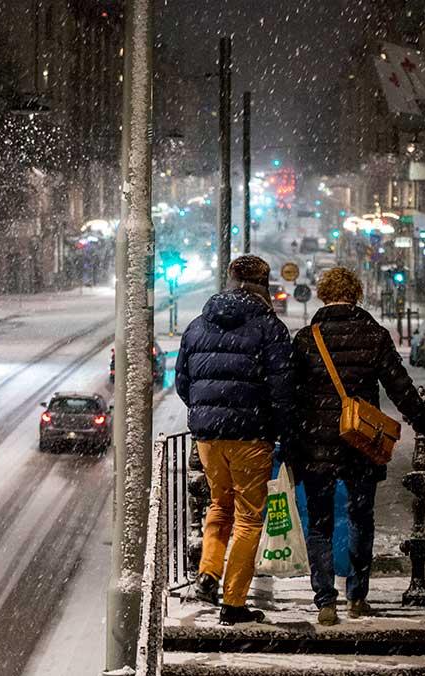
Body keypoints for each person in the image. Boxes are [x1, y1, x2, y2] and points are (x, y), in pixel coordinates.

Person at [289, 267, 425, 626]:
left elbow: (291, 398)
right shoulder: (374, 336)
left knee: (318, 524)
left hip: (316, 444)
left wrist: (290, 442)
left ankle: (324, 600)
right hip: (360, 443)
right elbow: (402, 390)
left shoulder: (307, 338)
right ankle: (357, 595)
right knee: (360, 517)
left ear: (322, 295)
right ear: (357, 295)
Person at [175, 255, 295, 625]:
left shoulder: (197, 326)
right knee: (248, 517)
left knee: (218, 505)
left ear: (228, 281)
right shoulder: (269, 329)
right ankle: (234, 602)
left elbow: (183, 382)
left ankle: (209, 572)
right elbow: (282, 388)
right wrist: (283, 430)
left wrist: (208, 413)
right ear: (264, 284)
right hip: (250, 434)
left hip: (209, 436)